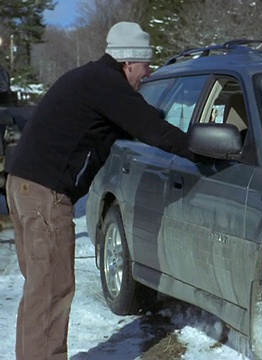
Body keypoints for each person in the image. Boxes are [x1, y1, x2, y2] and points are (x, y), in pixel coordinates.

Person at [4, 21, 194, 360]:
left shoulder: (91, 80)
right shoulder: (107, 85)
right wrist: (209, 149)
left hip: (23, 186)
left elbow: (137, 121)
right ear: (129, 62)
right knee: (50, 292)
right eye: (146, 65)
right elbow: (156, 132)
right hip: (44, 196)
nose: (147, 73)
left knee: (39, 292)